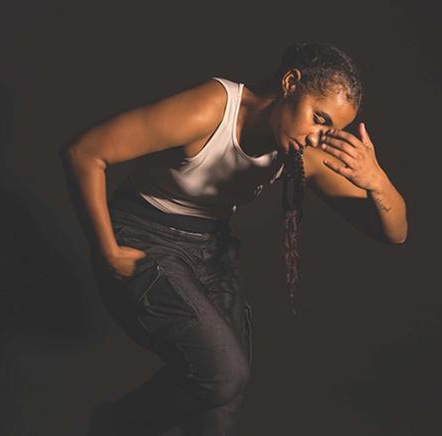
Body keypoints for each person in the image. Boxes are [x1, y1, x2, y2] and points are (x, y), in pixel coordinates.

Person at [60, 41, 407, 436]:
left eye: (332, 130)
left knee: (222, 408)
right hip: (144, 236)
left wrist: (377, 182)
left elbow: (392, 232)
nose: (318, 137)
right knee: (223, 374)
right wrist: (106, 248)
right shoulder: (211, 110)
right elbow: (84, 152)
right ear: (290, 83)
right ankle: (116, 425)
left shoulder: (300, 152)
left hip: (209, 251)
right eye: (319, 118)